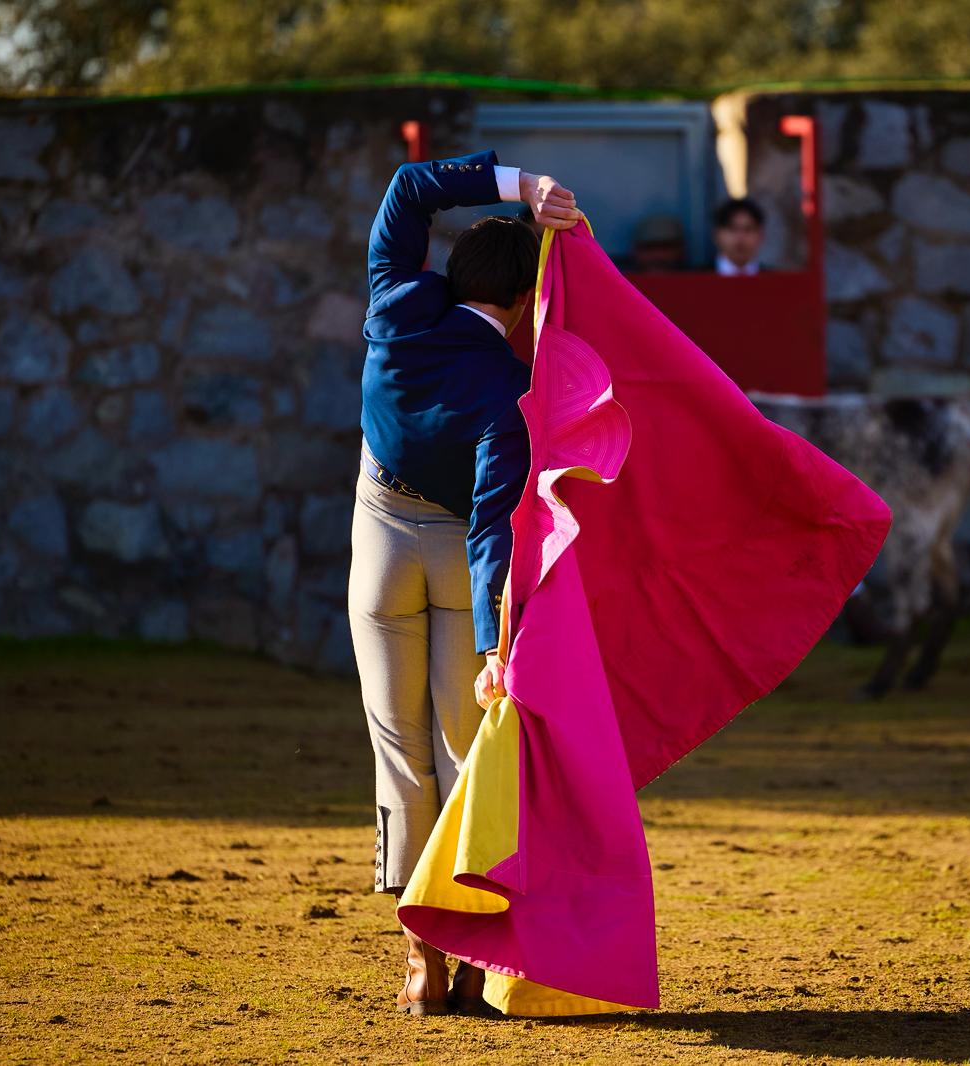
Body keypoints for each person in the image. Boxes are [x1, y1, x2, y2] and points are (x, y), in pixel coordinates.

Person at [347, 148, 579, 1017]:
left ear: (452, 274)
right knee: (461, 752)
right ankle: (468, 954)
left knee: (399, 758)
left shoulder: (397, 305)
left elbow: (409, 185)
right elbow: (490, 526)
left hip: (378, 544)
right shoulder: (506, 388)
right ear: (523, 305)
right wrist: (495, 644)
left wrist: (523, 187)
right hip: (453, 555)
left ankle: (420, 969)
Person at [712, 197, 765, 276]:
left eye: (748, 229)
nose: (740, 237)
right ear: (717, 234)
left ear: (761, 235)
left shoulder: (777, 282)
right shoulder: (696, 279)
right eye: (732, 229)